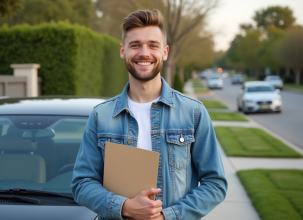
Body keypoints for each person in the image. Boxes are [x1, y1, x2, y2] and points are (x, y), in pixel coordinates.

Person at [71, 9, 227, 220]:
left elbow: (215, 183)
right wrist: (124, 206)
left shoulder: (194, 112)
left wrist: (166, 216)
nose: (144, 53)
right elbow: (82, 184)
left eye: (153, 45)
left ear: (165, 52)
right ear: (122, 51)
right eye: (135, 45)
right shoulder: (101, 116)